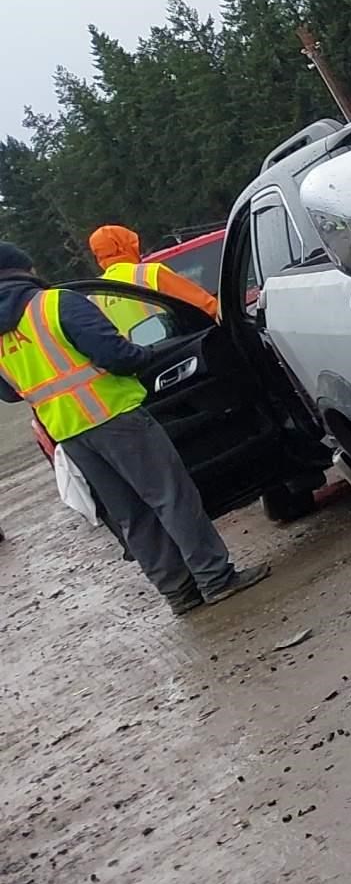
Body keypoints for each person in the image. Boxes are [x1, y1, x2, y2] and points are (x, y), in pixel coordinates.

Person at [0, 242, 268, 614]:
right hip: (115, 416)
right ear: (22, 270)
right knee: (171, 496)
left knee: (131, 515)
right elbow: (119, 356)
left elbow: (10, 394)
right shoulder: (55, 303)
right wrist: (147, 356)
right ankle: (216, 578)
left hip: (68, 433)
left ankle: (179, 593)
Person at [88, 224, 218, 336]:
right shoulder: (149, 273)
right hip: (174, 346)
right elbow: (203, 306)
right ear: (124, 246)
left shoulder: (95, 295)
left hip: (141, 362)